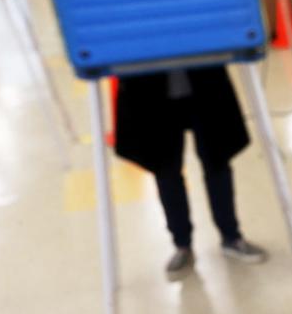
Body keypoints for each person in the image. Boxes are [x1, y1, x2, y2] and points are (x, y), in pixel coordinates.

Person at [115, 67, 268, 280]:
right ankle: (182, 245)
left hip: (204, 82)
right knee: (166, 170)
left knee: (217, 161)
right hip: (150, 90)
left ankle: (231, 237)